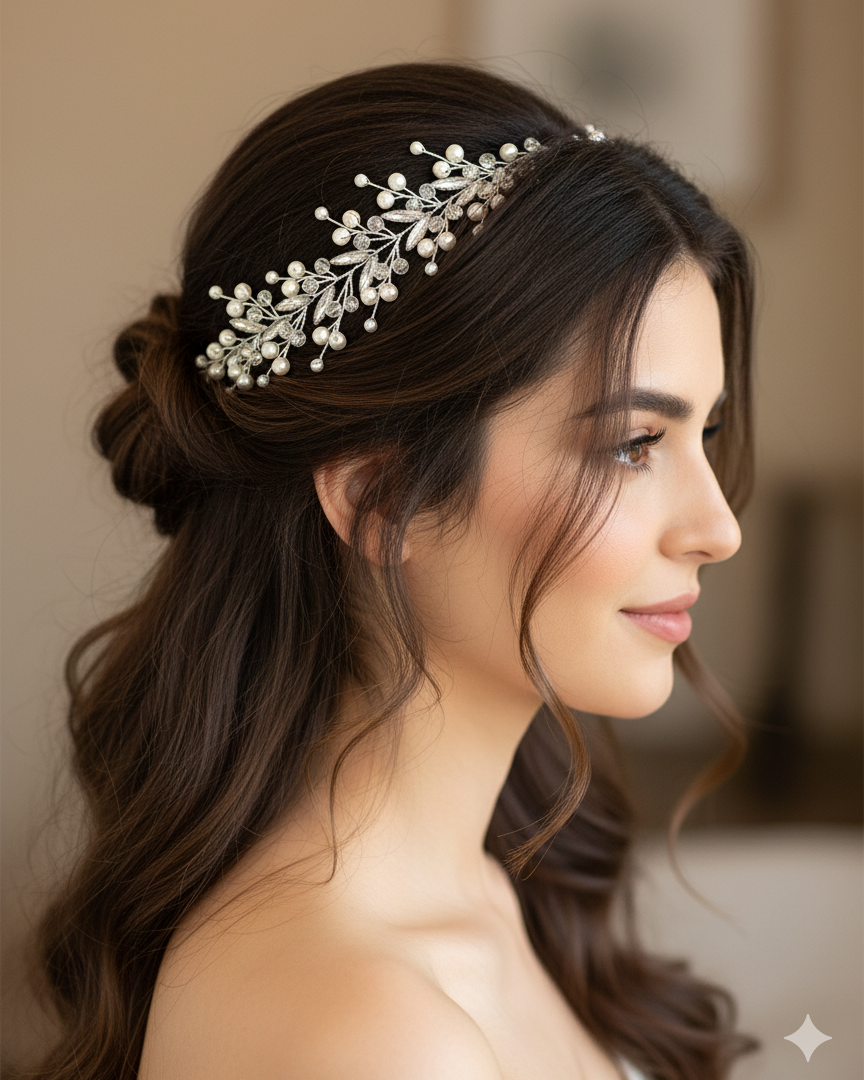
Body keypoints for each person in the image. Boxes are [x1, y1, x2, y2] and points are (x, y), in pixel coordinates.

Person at [28, 62, 760, 1080]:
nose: (718, 528)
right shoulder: (364, 1035)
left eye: (705, 433)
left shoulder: (492, 887)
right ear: (379, 499)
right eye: (634, 443)